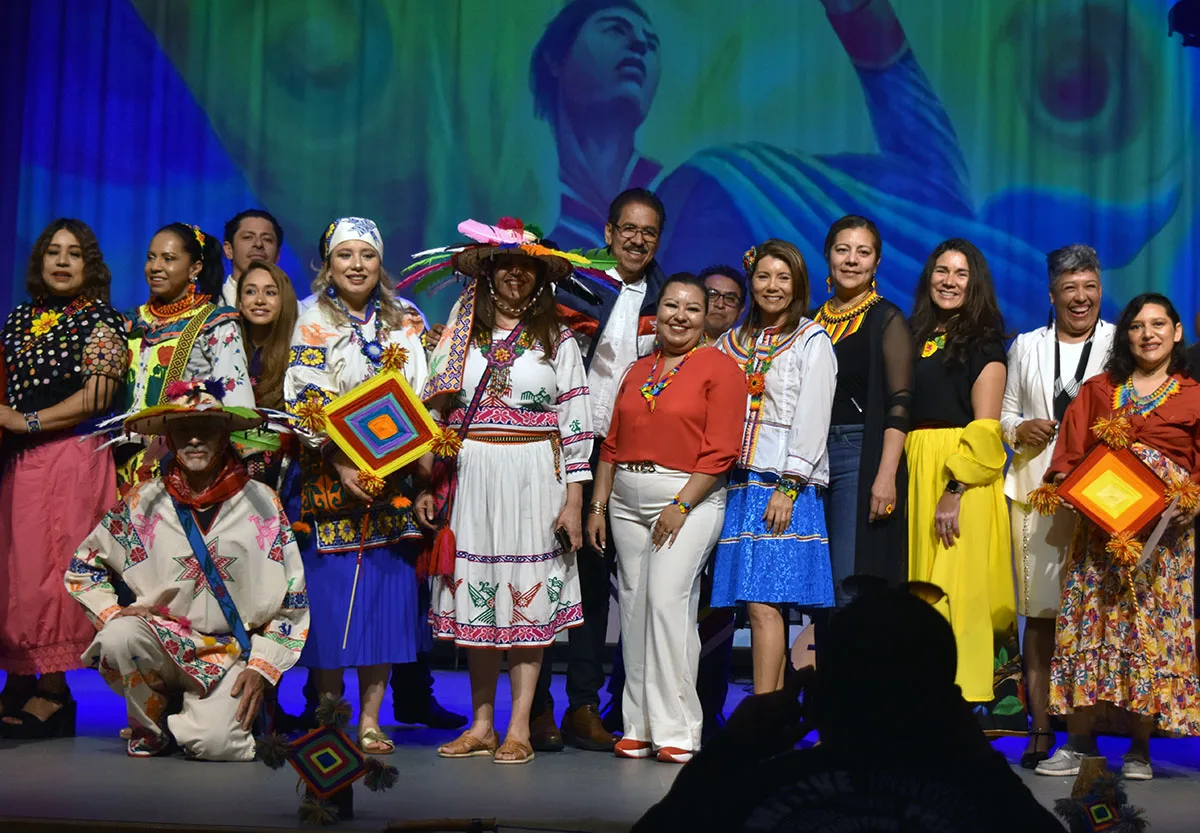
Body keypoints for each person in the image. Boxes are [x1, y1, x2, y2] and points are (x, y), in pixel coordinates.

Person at [530, 0, 1118, 335]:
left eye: (650, 39)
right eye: (616, 29)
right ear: (556, 57)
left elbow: (932, 190)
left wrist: (869, 32)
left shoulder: (726, 178)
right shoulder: (560, 254)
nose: (639, 46)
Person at [632, 586, 1064, 833]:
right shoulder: (986, 805)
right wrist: (977, 755)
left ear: (817, 695)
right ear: (948, 706)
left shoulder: (761, 790)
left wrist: (733, 748)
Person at [412, 220, 593, 765]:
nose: (515, 272)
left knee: (526, 599)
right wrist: (429, 481)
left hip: (536, 473)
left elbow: (577, 419)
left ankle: (519, 727)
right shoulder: (459, 336)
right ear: (488, 272)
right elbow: (434, 411)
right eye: (505, 263)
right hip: (474, 476)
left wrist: (575, 500)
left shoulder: (557, 338)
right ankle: (482, 724)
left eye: (526, 264)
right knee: (481, 598)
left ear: (538, 275)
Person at [63, 380, 308, 759]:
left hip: (227, 650)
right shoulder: (143, 500)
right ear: (169, 439)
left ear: (225, 434)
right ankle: (154, 723)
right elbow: (84, 567)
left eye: (206, 428)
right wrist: (113, 613)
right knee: (119, 637)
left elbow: (292, 596)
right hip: (163, 641)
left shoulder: (261, 500)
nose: (194, 440)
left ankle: (198, 713)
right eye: (182, 430)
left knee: (219, 746)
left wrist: (262, 668)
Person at [1034, 293, 1200, 780]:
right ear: (1125, 335)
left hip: (1163, 541)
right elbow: (1067, 454)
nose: (1147, 334)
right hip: (1099, 536)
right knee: (1089, 627)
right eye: (1137, 326)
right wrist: (1061, 488)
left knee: (1149, 635)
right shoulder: (1100, 389)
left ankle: (1140, 750)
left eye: (1158, 324)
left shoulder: (1192, 394)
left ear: (1176, 332)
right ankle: (1079, 744)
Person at [529, 187, 670, 754]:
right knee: (537, 576)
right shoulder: (575, 282)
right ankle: (535, 705)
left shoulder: (669, 296)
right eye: (628, 229)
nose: (637, 240)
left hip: (621, 457)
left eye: (649, 232)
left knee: (594, 585)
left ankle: (583, 706)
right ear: (609, 232)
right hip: (556, 448)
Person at [284, 217, 430, 755]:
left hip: (392, 478)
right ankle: (330, 713)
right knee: (329, 601)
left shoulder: (408, 320)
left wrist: (411, 467)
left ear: (380, 262)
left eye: (366, 255)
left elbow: (422, 393)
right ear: (328, 263)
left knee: (382, 604)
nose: (356, 264)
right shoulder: (310, 318)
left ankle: (370, 719)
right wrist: (344, 462)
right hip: (329, 477)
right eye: (345, 255)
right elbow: (303, 395)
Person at [586, 274, 743, 762]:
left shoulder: (720, 368)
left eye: (692, 309)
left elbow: (721, 452)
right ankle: (638, 724)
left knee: (667, 604)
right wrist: (597, 504)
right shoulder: (638, 370)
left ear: (706, 317)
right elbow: (610, 444)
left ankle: (678, 728)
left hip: (685, 499)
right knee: (632, 611)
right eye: (672, 305)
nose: (680, 316)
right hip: (624, 502)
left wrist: (679, 506)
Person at [0, 219, 128, 739]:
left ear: (89, 266)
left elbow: (96, 397)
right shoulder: (18, 318)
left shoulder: (102, 320)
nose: (62, 261)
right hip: (21, 462)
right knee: (17, 576)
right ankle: (22, 677)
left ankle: (54, 693)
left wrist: (23, 421)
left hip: (70, 457)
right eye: (53, 252)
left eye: (74, 254)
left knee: (54, 573)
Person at [999, 244, 1113, 769]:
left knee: (1093, 617)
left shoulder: (1119, 342)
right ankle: (1042, 727)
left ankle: (1087, 733)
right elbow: (1005, 414)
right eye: (1070, 288)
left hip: (1102, 498)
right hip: (1035, 493)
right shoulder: (1026, 346)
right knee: (1040, 616)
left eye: (1089, 286)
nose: (1081, 297)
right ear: (1052, 294)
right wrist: (1017, 428)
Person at [905, 238, 1024, 734]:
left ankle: (976, 699)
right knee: (924, 592)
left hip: (961, 478)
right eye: (941, 270)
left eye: (961, 274)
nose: (949, 281)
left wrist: (954, 488)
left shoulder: (983, 341)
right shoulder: (915, 334)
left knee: (963, 590)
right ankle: (925, 698)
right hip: (918, 468)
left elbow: (986, 427)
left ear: (975, 284)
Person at [712, 239, 837, 694]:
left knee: (767, 605)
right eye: (763, 276)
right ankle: (774, 713)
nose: (772, 286)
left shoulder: (811, 339)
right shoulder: (731, 342)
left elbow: (814, 414)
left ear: (797, 284)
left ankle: (764, 715)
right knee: (752, 605)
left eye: (783, 277)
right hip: (736, 486)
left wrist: (789, 484)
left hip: (783, 485)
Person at [813, 215, 912, 605]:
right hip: (810, 458)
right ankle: (828, 665)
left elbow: (900, 404)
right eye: (843, 250)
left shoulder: (887, 319)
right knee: (815, 583)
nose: (852, 260)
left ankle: (853, 666)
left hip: (858, 455)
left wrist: (885, 475)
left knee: (847, 581)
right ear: (828, 256)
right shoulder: (811, 320)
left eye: (863, 252)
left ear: (876, 263)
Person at [119, 222, 253, 493]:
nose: (155, 266)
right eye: (151, 257)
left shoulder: (215, 322)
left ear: (195, 268)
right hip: (122, 463)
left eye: (168, 259)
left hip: (185, 461)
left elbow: (237, 401)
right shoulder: (130, 322)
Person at [220, 209, 284, 308]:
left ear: (277, 254)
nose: (258, 244)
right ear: (229, 250)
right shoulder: (210, 310)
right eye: (248, 237)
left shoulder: (298, 313)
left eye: (267, 239)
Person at [699, 264, 745, 340]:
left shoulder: (748, 350)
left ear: (740, 311)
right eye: (712, 295)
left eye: (730, 299)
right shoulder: (677, 344)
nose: (720, 305)